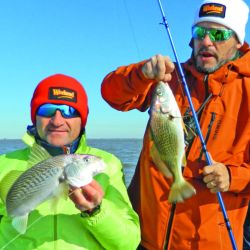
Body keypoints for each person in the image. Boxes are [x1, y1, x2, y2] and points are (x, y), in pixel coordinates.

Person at [101, 0, 250, 249]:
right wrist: (141, 74)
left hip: (208, 242)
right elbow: (111, 94)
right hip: (145, 237)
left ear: (238, 42)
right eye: (199, 32)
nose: (207, 41)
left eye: (218, 34)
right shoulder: (169, 80)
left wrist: (232, 177)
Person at [0, 73, 140, 250]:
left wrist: (96, 211)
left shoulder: (109, 165)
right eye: (47, 110)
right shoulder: (3, 164)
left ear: (82, 120)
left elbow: (128, 244)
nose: (57, 121)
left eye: (69, 111)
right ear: (34, 116)